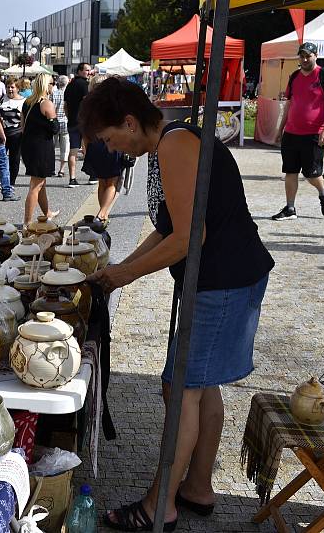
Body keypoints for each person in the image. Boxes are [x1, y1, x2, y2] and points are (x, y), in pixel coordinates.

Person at [80, 77, 274, 532]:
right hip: (222, 280)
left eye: (111, 138)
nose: (116, 149)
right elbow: (169, 228)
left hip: (222, 282)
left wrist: (122, 276)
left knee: (181, 387)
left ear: (129, 121)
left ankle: (158, 505)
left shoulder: (175, 144)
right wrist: (118, 268)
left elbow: (191, 237)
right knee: (198, 386)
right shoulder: (169, 143)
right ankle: (198, 487)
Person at [272, 42, 324, 220]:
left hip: (314, 133)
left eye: (308, 56)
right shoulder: (294, 77)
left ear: (316, 56)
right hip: (292, 133)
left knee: (311, 174)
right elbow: (289, 105)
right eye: (302, 56)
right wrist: (280, 129)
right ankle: (290, 208)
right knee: (290, 171)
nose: (305, 59)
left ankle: (323, 193)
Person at [81, 74, 125, 225]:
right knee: (112, 182)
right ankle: (103, 213)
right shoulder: (113, 104)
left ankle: (102, 214)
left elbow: (85, 129)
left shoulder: (87, 104)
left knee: (102, 182)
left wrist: (85, 146)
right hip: (111, 144)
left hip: (94, 145)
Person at [21, 74, 60, 226]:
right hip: (41, 147)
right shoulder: (46, 103)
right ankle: (27, 222)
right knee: (36, 185)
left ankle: (47, 213)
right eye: (52, 83)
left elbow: (22, 126)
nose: (53, 85)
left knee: (41, 182)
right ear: (45, 85)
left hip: (28, 145)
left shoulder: (27, 102)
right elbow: (55, 128)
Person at [0, 78, 24, 192]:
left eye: (12, 87)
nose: (10, 89)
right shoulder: (1, 99)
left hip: (16, 134)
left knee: (14, 159)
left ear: (18, 88)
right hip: (1, 134)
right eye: (8, 87)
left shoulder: (23, 101)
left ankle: (11, 183)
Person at [64, 62, 93, 188]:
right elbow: (88, 104)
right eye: (87, 70)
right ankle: (92, 175)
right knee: (88, 148)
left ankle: (72, 178)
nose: (89, 72)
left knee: (73, 151)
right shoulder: (85, 85)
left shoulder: (69, 86)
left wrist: (69, 117)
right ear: (80, 71)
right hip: (84, 122)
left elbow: (65, 106)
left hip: (72, 122)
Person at [51, 75, 70, 178]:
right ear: (67, 83)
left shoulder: (54, 93)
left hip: (54, 123)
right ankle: (61, 170)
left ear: (58, 83)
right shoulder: (68, 94)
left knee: (52, 147)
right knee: (64, 147)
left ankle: (52, 168)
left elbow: (51, 108)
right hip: (65, 122)